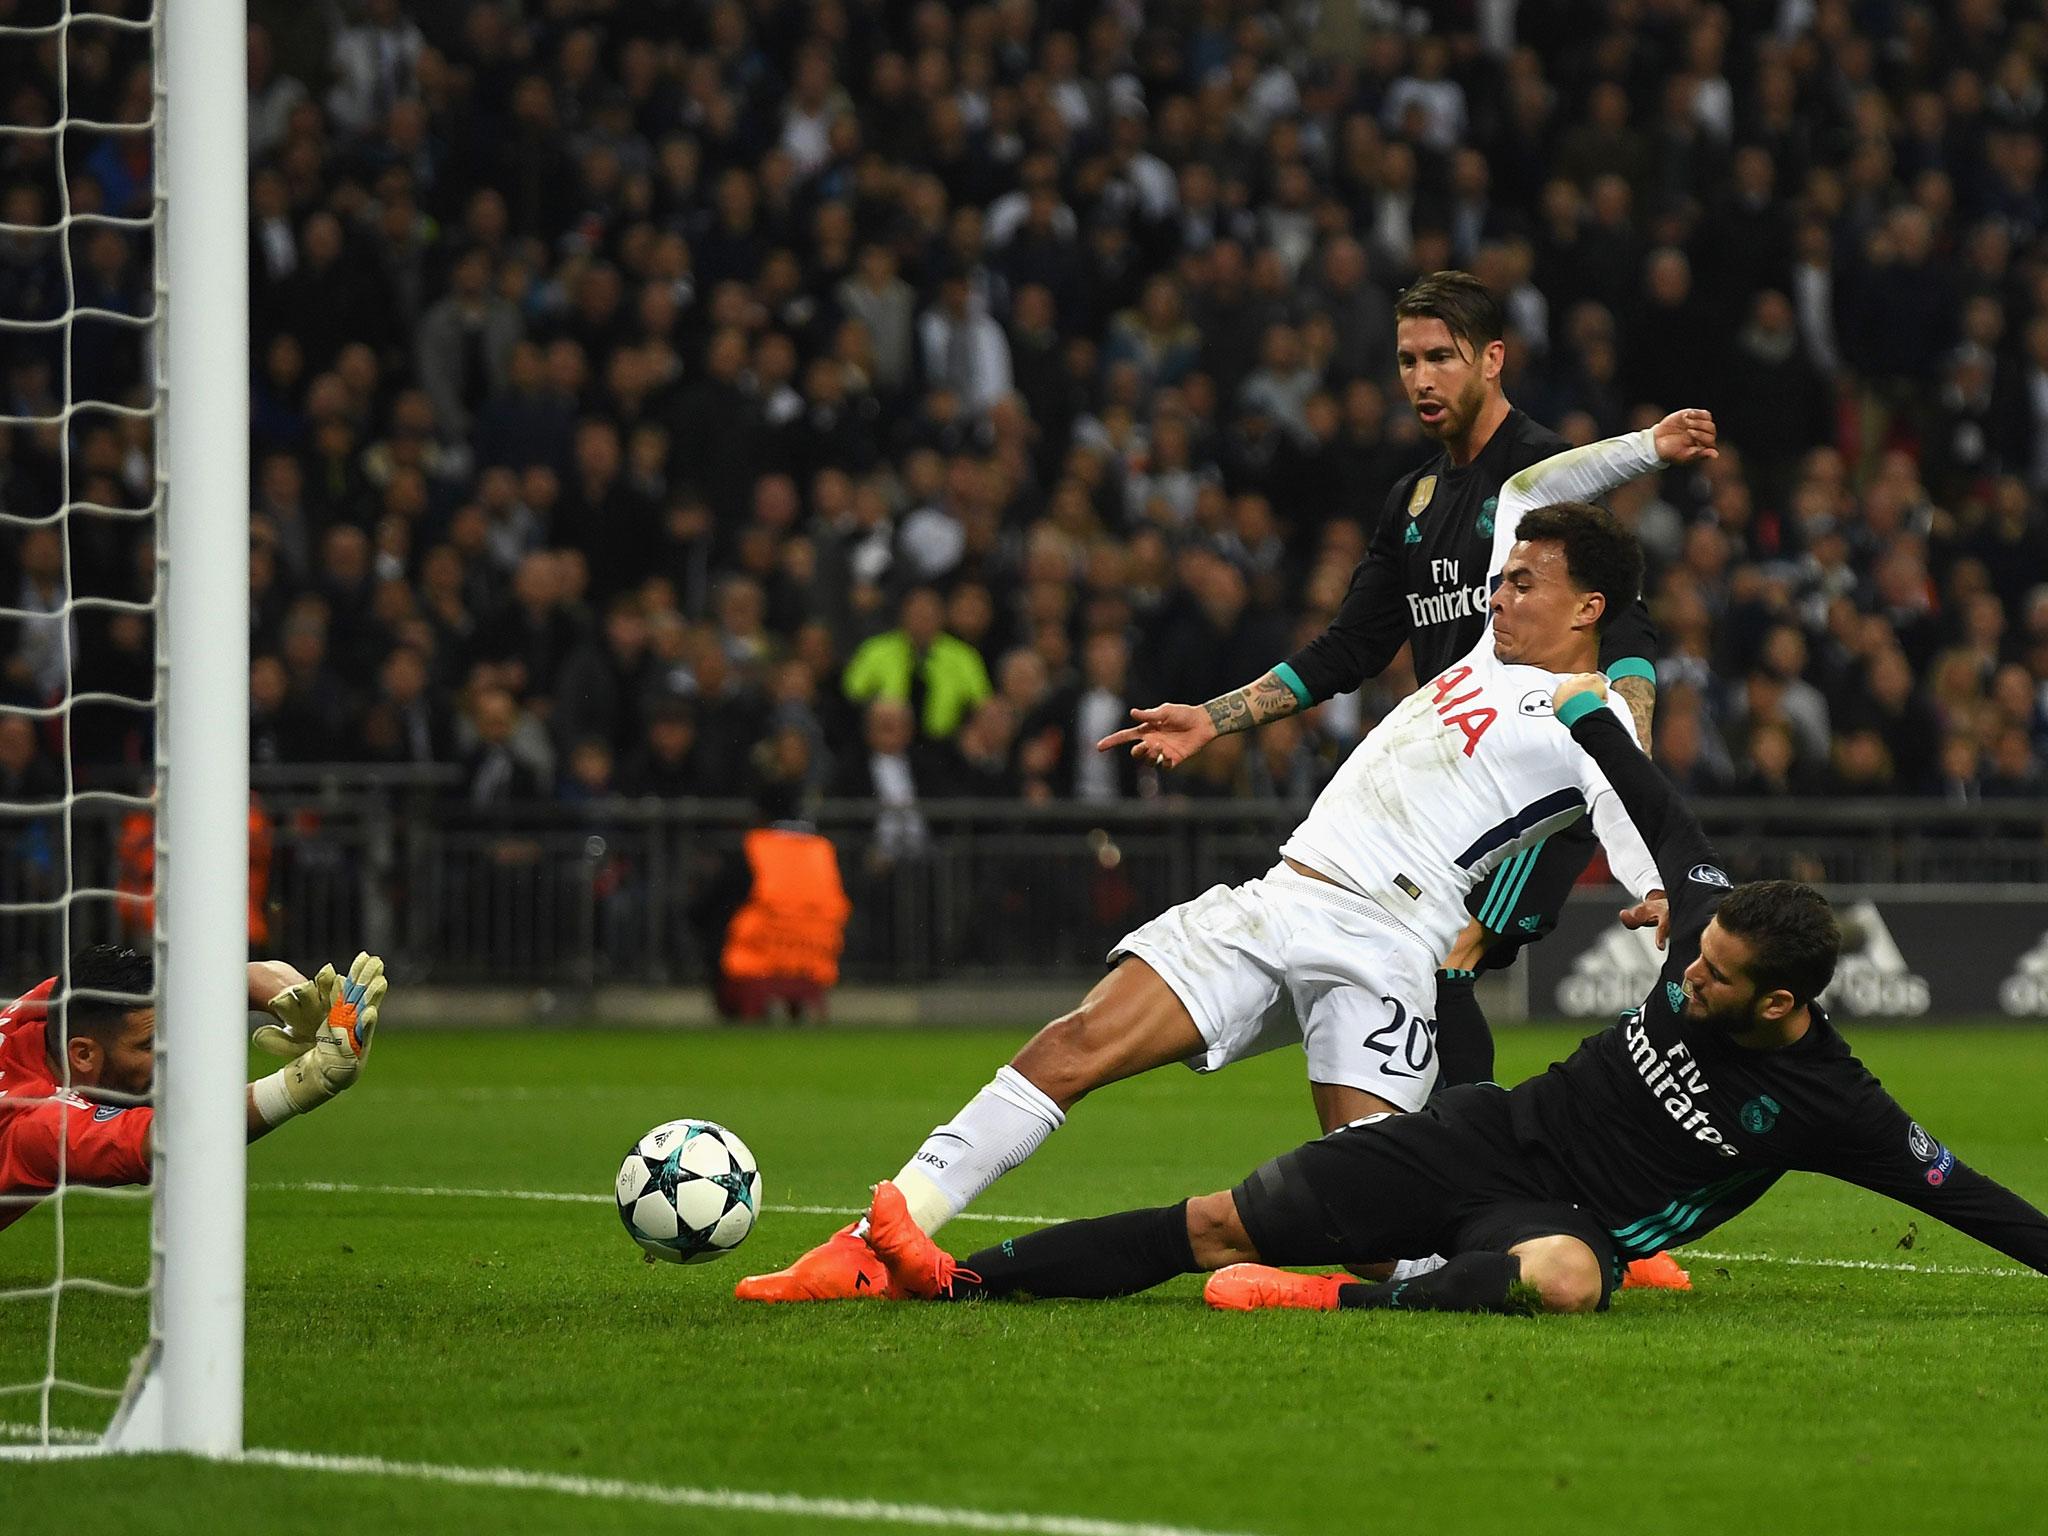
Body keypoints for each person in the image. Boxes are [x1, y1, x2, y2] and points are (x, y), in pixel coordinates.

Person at [738, 418, 1717, 1304]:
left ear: (1588, 607)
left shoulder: (1587, 720)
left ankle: (1554, 1253)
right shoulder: (1487, 653)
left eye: (1521, 583)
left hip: (1387, 948)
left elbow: (1640, 818)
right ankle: (870, 1246)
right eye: (1500, 577)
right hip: (1282, 898)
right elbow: (1527, 488)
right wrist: (1648, 445)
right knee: (1072, 1043)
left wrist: (1654, 895)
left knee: (1372, 1231)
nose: (1495, 593)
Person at [851, 671, 2048, 1313]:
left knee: (1572, 1282)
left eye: (1718, 978)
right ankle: (961, 1279)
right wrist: (1597, 720)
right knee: (1211, 1219)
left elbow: (1965, 1195)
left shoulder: (1827, 1101)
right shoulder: (1703, 926)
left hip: (1553, 1225)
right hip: (1485, 1140)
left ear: (1780, 1007)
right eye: (1696, 953)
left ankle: (1325, 1302)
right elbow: (1664, 814)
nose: (1688, 974)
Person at [1105, 273, 1664, 1095]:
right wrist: (1215, 720)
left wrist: (1625, 759)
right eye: (1407, 361)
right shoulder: (1414, 500)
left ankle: (1475, 1190)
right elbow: (1349, 648)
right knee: (1421, 977)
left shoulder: (1542, 473)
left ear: (1492, 360)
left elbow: (1627, 629)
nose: (1421, 379)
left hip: (1531, 793)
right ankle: (1465, 1186)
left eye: (1441, 356)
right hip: (1446, 805)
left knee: (1439, 968)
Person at [1, 945, 387, 1234]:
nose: (174, 1056)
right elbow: (174, 1137)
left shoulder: (54, 1004)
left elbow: (247, 976)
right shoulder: (37, 1127)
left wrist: (306, 1002)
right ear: (82, 1054)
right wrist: (308, 1082)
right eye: (149, 1045)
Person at [688, 780, 853, 1022]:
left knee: (717, 920)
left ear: (760, 812)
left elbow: (708, 904)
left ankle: (744, 1007)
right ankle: (796, 1003)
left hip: (758, 958)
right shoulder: (823, 850)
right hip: (813, 960)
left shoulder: (754, 848)